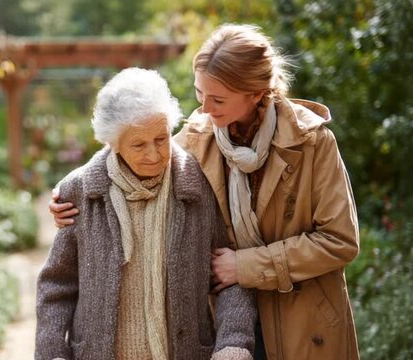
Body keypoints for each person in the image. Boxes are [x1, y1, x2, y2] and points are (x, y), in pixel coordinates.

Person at [49, 24, 360, 360]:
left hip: (303, 320)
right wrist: (72, 191)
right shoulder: (197, 140)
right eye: (200, 94)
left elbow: (340, 240)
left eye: (218, 98)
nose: (205, 109)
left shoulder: (313, 142)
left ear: (255, 92)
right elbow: (130, 154)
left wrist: (246, 265)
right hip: (226, 324)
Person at [36, 67, 256, 360]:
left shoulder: (198, 187)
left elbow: (229, 275)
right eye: (139, 144)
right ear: (113, 143)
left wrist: (233, 343)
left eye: (161, 139)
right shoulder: (81, 191)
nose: (154, 155)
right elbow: (56, 285)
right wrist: (51, 352)